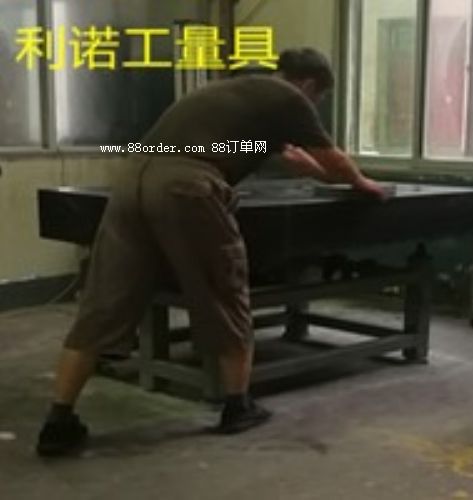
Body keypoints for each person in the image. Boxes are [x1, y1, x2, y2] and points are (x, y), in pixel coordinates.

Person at [36, 47, 386, 457]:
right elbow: (333, 158)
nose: (315, 104)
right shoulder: (289, 97)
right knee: (224, 291)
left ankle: (58, 421)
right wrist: (362, 183)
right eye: (319, 97)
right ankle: (238, 406)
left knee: (103, 302)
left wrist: (318, 171)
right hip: (186, 187)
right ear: (308, 84)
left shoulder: (236, 93)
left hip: (130, 184)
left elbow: (282, 155)